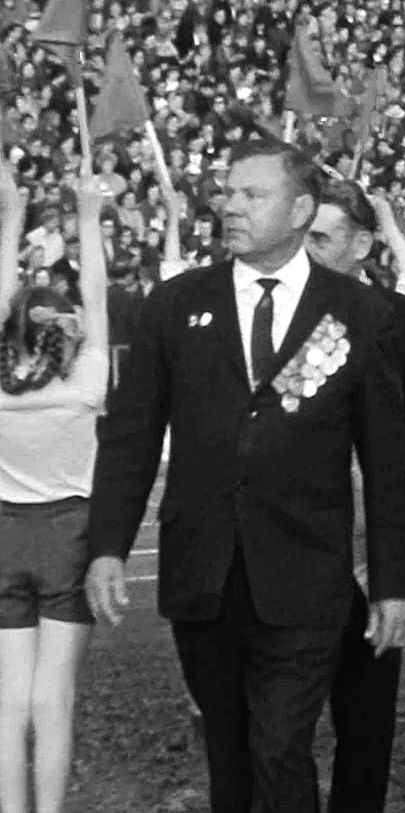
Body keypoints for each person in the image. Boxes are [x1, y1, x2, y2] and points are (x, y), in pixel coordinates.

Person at [83, 139, 405, 813]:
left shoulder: (359, 313)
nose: (230, 207)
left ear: (300, 210)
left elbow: (386, 460)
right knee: (229, 750)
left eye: (252, 195)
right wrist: (107, 545)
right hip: (202, 572)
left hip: (307, 575)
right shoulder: (174, 305)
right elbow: (131, 436)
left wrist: (391, 582)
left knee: (279, 743)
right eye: (227, 193)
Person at [304, 179, 405, 813]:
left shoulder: (399, 322)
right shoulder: (264, 314)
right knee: (281, 714)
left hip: (377, 547)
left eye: (321, 237)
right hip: (293, 546)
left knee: (366, 710)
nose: (307, 249)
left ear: (360, 245)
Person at [0, 159, 107, 813]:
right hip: (69, 530)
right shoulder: (87, 377)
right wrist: (88, 219)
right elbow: (96, 293)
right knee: (53, 698)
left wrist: (12, 215)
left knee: (9, 702)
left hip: (5, 531)